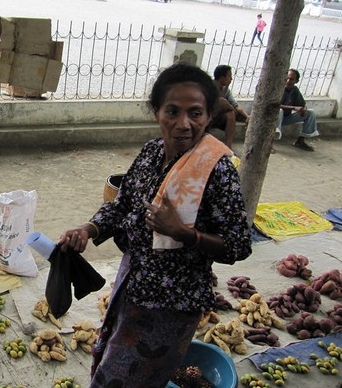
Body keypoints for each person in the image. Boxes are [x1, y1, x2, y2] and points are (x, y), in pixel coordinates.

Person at [58, 63, 252, 388]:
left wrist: (183, 233)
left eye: (196, 113)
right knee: (108, 359)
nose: (184, 124)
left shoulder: (218, 171)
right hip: (132, 284)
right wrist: (88, 229)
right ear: (156, 112)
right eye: (172, 111)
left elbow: (238, 245)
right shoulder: (150, 153)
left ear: (208, 116)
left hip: (171, 306)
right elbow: (122, 204)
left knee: (121, 379)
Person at [275, 68, 319, 152]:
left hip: (285, 118)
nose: (288, 81)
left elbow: (302, 104)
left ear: (296, 81)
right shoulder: (278, 88)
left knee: (310, 113)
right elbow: (276, 105)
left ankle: (300, 141)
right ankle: (269, 144)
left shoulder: (294, 90)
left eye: (291, 79)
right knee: (280, 111)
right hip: (273, 119)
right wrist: (293, 108)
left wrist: (304, 109)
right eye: (287, 78)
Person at [210, 64, 250, 150]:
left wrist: (247, 116)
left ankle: (228, 144)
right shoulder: (209, 87)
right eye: (229, 76)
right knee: (223, 102)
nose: (231, 79)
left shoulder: (226, 90)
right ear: (222, 78)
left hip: (218, 118)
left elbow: (236, 105)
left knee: (231, 114)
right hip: (208, 117)